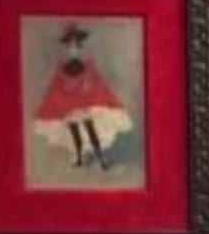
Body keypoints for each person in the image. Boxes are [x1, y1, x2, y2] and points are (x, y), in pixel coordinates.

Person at [32, 22, 133, 175]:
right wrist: (65, 92)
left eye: (75, 46)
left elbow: (95, 82)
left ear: (79, 46)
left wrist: (87, 87)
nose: (72, 49)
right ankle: (80, 157)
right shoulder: (63, 67)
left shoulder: (87, 65)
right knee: (75, 132)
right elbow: (58, 86)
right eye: (70, 46)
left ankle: (101, 158)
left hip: (84, 102)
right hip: (69, 104)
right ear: (66, 48)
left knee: (91, 131)